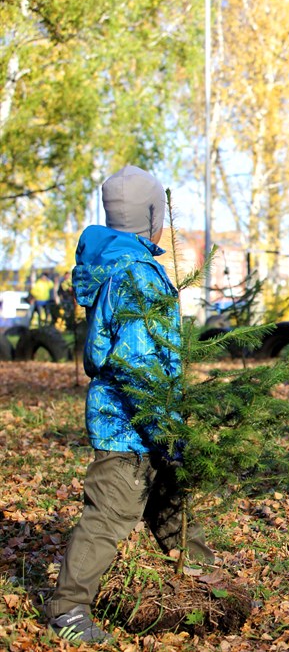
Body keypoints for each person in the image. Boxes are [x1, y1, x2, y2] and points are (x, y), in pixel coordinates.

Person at [46, 166, 215, 643]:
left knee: (171, 504)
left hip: (140, 419)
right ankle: (68, 608)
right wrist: (166, 432)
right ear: (150, 219)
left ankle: (205, 582)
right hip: (130, 423)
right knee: (109, 515)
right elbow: (140, 365)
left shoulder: (112, 265)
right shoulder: (138, 276)